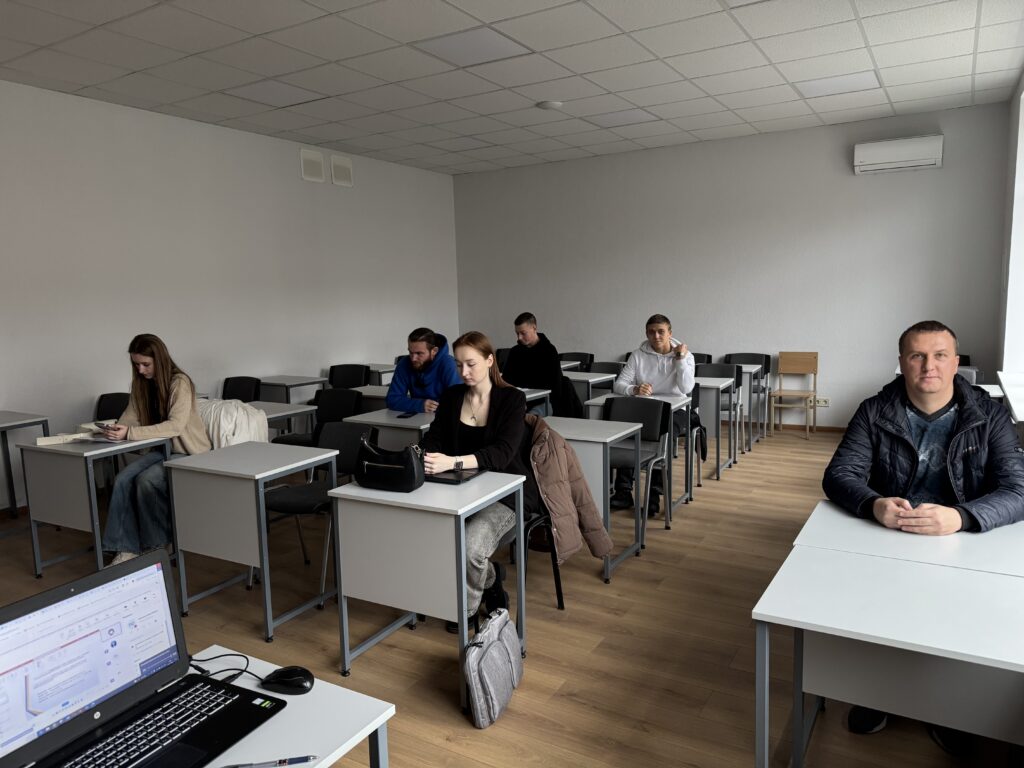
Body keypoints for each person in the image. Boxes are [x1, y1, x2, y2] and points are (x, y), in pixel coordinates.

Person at [822, 320, 1024, 753]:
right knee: (879, 617)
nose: (928, 365)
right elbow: (839, 475)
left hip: (964, 540)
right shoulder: (874, 410)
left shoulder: (989, 415)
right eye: (917, 356)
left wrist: (962, 516)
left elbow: (1018, 489)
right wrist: (874, 504)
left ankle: (948, 708)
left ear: (956, 362)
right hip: (889, 536)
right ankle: (879, 695)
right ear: (902, 362)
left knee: (957, 623)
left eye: (939, 355)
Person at [420, 331, 531, 631]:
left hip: (506, 494)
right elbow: (434, 438)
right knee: (428, 534)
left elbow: (502, 454)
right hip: (461, 490)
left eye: (471, 364)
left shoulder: (512, 398)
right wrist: (424, 454)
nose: (464, 372)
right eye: (458, 365)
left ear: (490, 361)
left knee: (470, 548)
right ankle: (491, 580)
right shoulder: (452, 396)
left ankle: (467, 611)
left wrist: (453, 461)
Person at [100, 334, 212, 566]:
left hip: (188, 453)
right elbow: (129, 418)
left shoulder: (180, 383)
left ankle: (157, 546)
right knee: (122, 479)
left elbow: (175, 426)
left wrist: (129, 433)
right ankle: (125, 548)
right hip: (162, 450)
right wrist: (114, 429)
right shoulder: (140, 385)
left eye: (145, 364)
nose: (140, 370)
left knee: (146, 480)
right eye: (136, 364)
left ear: (159, 360)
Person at [611, 314, 695, 516]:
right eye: (651, 332)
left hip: (675, 409)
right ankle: (623, 492)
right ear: (646, 333)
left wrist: (680, 359)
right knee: (625, 433)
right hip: (645, 408)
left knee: (664, 435)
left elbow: (686, 388)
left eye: (661, 331)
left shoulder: (686, 356)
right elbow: (619, 384)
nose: (656, 336)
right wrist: (634, 389)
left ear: (670, 333)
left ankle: (653, 495)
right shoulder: (637, 355)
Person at [385, 327, 461, 414]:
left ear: (434, 351)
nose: (413, 358)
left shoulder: (449, 364)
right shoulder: (404, 363)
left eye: (419, 353)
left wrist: (433, 407)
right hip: (418, 417)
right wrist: (419, 405)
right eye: (411, 352)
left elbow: (458, 401)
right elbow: (392, 399)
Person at [501, 312, 563, 416]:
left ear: (534, 328)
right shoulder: (515, 352)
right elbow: (506, 381)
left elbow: (555, 387)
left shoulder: (549, 351)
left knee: (528, 419)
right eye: (517, 333)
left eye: (523, 333)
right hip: (518, 401)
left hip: (543, 401)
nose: (519, 337)